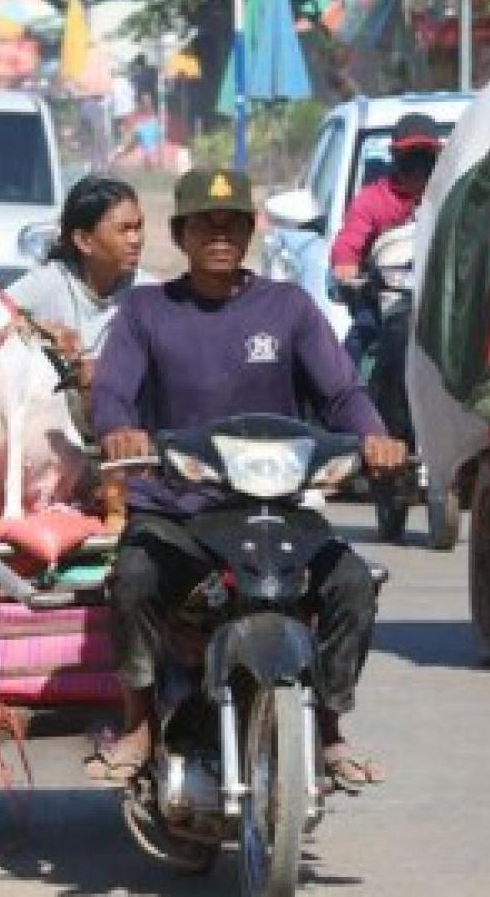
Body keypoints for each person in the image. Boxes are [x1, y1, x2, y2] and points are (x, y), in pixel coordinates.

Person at [88, 168, 408, 789]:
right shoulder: (147, 310)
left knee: (351, 584)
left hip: (275, 511)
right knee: (133, 575)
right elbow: (112, 396)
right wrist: (119, 433)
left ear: (251, 231)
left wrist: (374, 437)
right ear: (180, 233)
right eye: (204, 223)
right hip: (179, 512)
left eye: (232, 221)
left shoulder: (288, 307)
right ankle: (137, 722)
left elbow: (341, 393)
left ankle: (330, 728)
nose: (219, 234)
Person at [330, 113, 445, 367]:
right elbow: (348, 242)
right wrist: (345, 264)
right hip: (383, 301)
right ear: (394, 158)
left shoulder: (450, 197)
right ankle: (341, 401)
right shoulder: (372, 199)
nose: (418, 170)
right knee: (356, 342)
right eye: (409, 160)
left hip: (441, 298)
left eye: (425, 160)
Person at [7, 175, 154, 361]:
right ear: (84, 241)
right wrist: (37, 330)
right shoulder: (49, 282)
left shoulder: (149, 294)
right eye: (123, 230)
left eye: (138, 227)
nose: (135, 240)